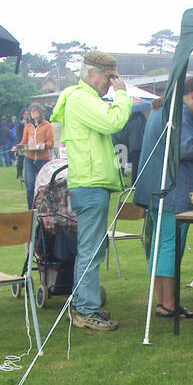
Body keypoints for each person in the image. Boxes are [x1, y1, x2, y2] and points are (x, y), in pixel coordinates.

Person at [50, 50, 132, 331]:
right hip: (90, 183)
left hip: (90, 183)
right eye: (109, 78)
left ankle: (84, 305)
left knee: (92, 248)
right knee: (91, 249)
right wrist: (122, 95)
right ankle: (84, 310)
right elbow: (114, 122)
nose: (111, 84)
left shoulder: (81, 98)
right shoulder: (82, 99)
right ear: (92, 73)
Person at [133, 76, 193, 319]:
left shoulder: (160, 109)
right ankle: (169, 304)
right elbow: (185, 147)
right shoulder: (178, 113)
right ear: (192, 94)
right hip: (172, 191)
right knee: (170, 247)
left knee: (160, 247)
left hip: (157, 190)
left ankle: (164, 302)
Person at [18, 103, 54, 209]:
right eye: (32, 111)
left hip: (43, 159)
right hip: (30, 159)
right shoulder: (28, 126)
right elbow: (23, 141)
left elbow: (51, 142)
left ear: (40, 112)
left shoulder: (47, 125)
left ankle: (45, 210)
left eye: (35, 111)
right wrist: (18, 147)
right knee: (30, 185)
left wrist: (44, 145)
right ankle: (31, 210)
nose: (33, 113)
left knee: (44, 187)